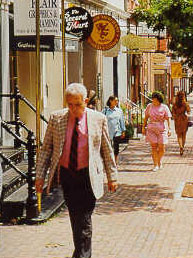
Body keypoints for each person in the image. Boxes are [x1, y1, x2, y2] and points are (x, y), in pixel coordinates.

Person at [36, 83, 118, 258]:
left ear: (86, 101)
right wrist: (40, 176)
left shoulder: (98, 119)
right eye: (70, 105)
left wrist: (112, 177)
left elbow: (106, 149)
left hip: (88, 175)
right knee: (76, 216)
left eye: (77, 104)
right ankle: (80, 253)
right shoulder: (56, 118)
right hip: (67, 175)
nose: (73, 109)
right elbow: (46, 149)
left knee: (85, 217)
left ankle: (82, 255)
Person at [142, 91, 172, 172]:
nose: (154, 101)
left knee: (162, 147)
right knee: (154, 147)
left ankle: (159, 161)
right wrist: (143, 127)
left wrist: (169, 128)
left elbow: (168, 118)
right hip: (151, 128)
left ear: (159, 100)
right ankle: (155, 164)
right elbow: (146, 117)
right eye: (153, 99)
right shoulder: (149, 106)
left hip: (161, 128)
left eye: (155, 100)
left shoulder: (164, 107)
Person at [102, 96, 126, 164]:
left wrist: (123, 131)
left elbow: (122, 121)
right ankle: (108, 161)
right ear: (110, 101)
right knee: (108, 148)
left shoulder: (119, 111)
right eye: (115, 101)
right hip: (107, 132)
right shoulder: (105, 111)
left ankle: (115, 161)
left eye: (117, 101)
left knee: (116, 148)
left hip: (117, 132)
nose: (117, 102)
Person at [172, 91, 191, 155]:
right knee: (184, 135)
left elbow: (173, 113)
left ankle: (180, 146)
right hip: (184, 119)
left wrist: (175, 116)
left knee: (179, 135)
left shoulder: (175, 104)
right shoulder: (185, 104)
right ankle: (183, 146)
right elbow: (188, 112)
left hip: (177, 120)